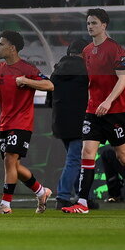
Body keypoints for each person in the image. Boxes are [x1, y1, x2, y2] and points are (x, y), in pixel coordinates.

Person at [62, 9, 125, 214]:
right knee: (87, 152)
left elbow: (123, 79)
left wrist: (109, 102)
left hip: (115, 111)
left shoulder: (116, 49)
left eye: (94, 23)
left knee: (123, 157)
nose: (90, 26)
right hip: (93, 111)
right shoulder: (86, 51)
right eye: (88, 23)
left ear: (104, 25)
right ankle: (82, 202)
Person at [0, 30, 54, 214]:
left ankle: (5, 205)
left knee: (9, 159)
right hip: (4, 123)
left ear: (12, 48)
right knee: (13, 165)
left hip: (22, 122)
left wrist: (26, 81)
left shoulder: (28, 69)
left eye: (1, 44)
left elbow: (49, 85)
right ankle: (41, 191)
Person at [50, 38, 90, 209]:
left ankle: (81, 196)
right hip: (80, 121)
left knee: (75, 159)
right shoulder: (87, 69)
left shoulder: (57, 69)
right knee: (75, 159)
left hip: (60, 122)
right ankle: (63, 196)